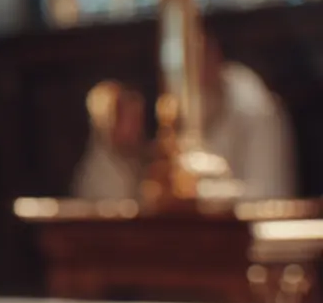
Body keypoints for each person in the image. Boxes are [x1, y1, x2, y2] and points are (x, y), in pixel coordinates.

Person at [72, 37, 297, 201]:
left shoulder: (255, 110)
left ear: (214, 55)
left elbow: (269, 196)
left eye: (196, 60)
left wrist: (195, 190)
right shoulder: (170, 117)